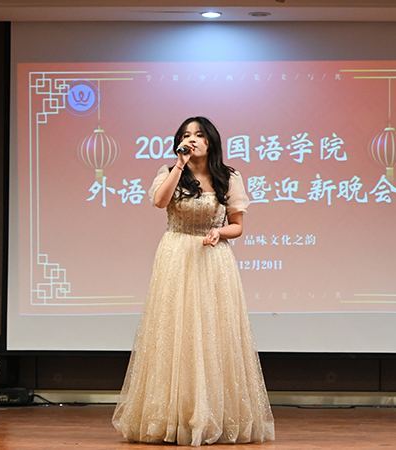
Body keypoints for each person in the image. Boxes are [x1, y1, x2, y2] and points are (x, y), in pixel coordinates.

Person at [112, 117, 275, 447]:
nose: (192, 139)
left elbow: (237, 226)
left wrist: (219, 232)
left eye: (199, 135)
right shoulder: (170, 171)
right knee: (175, 333)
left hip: (213, 259)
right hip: (176, 256)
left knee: (213, 334)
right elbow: (160, 202)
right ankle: (172, 417)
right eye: (186, 135)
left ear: (210, 141)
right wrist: (179, 165)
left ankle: (212, 415)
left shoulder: (228, 177)